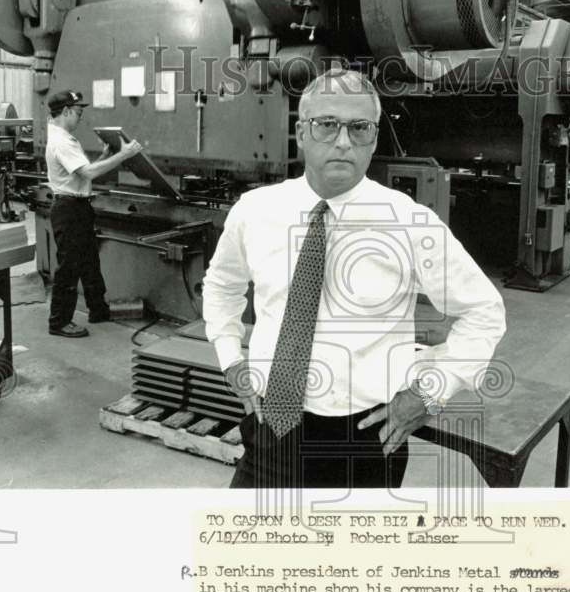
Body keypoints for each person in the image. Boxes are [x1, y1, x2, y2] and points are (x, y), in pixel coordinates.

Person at [203, 69, 506, 489]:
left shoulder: (410, 223)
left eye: (359, 128)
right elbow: (222, 284)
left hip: (364, 441)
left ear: (374, 138)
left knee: (351, 556)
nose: (343, 141)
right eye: (327, 125)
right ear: (301, 132)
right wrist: (229, 356)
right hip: (271, 427)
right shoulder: (255, 211)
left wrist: (429, 393)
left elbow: (484, 311)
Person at [44, 89, 143, 338]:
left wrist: (105, 156)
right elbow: (88, 174)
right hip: (69, 210)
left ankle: (98, 310)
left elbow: (81, 170)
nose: (80, 117)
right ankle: (58, 322)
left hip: (78, 206)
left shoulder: (63, 137)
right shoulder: (62, 141)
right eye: (78, 112)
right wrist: (124, 154)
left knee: (89, 262)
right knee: (69, 267)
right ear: (66, 111)